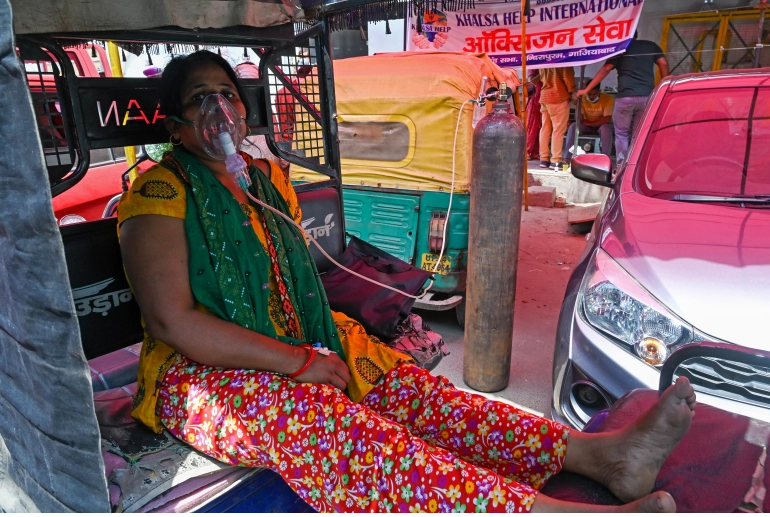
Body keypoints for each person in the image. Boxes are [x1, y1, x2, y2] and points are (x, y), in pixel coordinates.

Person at [118, 50, 697, 513]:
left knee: (414, 391)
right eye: (200, 100)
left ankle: (600, 457)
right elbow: (174, 321)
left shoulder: (267, 181)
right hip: (198, 374)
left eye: (227, 95)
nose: (219, 110)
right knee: (334, 422)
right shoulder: (161, 193)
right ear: (174, 122)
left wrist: (312, 349)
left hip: (289, 343)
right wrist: (295, 363)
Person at [578, 32, 669, 165]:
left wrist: (586, 89)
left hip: (625, 98)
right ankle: (635, 164)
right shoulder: (651, 46)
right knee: (638, 133)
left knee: (621, 133)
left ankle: (622, 166)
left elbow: (606, 69)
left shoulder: (620, 48)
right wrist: (664, 84)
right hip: (646, 98)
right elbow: (663, 63)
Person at [534, 67, 575, 171]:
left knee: (545, 129)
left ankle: (544, 159)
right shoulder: (565, 59)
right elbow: (567, 77)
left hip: (544, 96)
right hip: (559, 96)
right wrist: (572, 91)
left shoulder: (546, 59)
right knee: (558, 130)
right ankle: (555, 161)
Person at [564, 80, 614, 162]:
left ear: (599, 92)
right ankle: (567, 158)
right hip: (587, 126)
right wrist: (577, 103)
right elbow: (579, 119)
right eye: (589, 94)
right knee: (574, 126)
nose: (591, 97)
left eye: (594, 94)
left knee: (606, 128)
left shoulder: (608, 98)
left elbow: (606, 120)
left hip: (600, 126)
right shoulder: (583, 98)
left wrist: (589, 123)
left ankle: (605, 159)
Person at [525, 72, 543, 161]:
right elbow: (531, 81)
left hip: (545, 98)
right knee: (532, 126)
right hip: (535, 99)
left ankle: (537, 152)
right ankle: (526, 151)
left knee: (542, 127)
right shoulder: (536, 61)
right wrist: (543, 71)